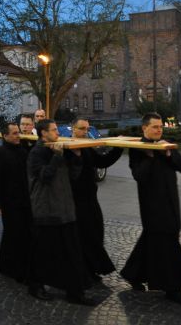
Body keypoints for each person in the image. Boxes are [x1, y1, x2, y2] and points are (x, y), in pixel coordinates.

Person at [120, 112, 181, 305]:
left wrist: (169, 154)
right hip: (152, 207)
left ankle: (134, 274)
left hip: (171, 202)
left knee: (152, 240)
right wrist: (150, 157)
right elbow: (139, 176)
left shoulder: (167, 144)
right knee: (167, 244)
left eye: (160, 126)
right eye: (155, 127)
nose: (158, 130)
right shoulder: (137, 149)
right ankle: (172, 288)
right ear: (144, 128)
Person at [27, 118, 95, 305]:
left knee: (72, 253)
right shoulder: (37, 152)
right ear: (43, 133)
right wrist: (57, 157)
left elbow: (73, 176)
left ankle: (75, 292)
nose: (58, 133)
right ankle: (36, 285)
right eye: (54, 130)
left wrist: (77, 158)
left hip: (65, 209)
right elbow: (45, 177)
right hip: (46, 210)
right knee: (43, 252)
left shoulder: (58, 148)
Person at [70, 118, 123, 281]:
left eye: (87, 129)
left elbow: (102, 161)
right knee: (81, 236)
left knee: (95, 232)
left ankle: (93, 268)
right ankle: (83, 271)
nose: (85, 132)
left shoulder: (87, 147)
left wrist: (118, 148)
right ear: (73, 129)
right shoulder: (68, 147)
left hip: (90, 197)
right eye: (81, 129)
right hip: (74, 200)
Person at [0, 123, 33, 282]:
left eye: (18, 133)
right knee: (14, 234)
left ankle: (6, 265)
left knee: (19, 234)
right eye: (14, 133)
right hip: (9, 202)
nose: (18, 136)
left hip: (24, 199)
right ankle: (15, 269)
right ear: (5, 136)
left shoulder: (22, 150)